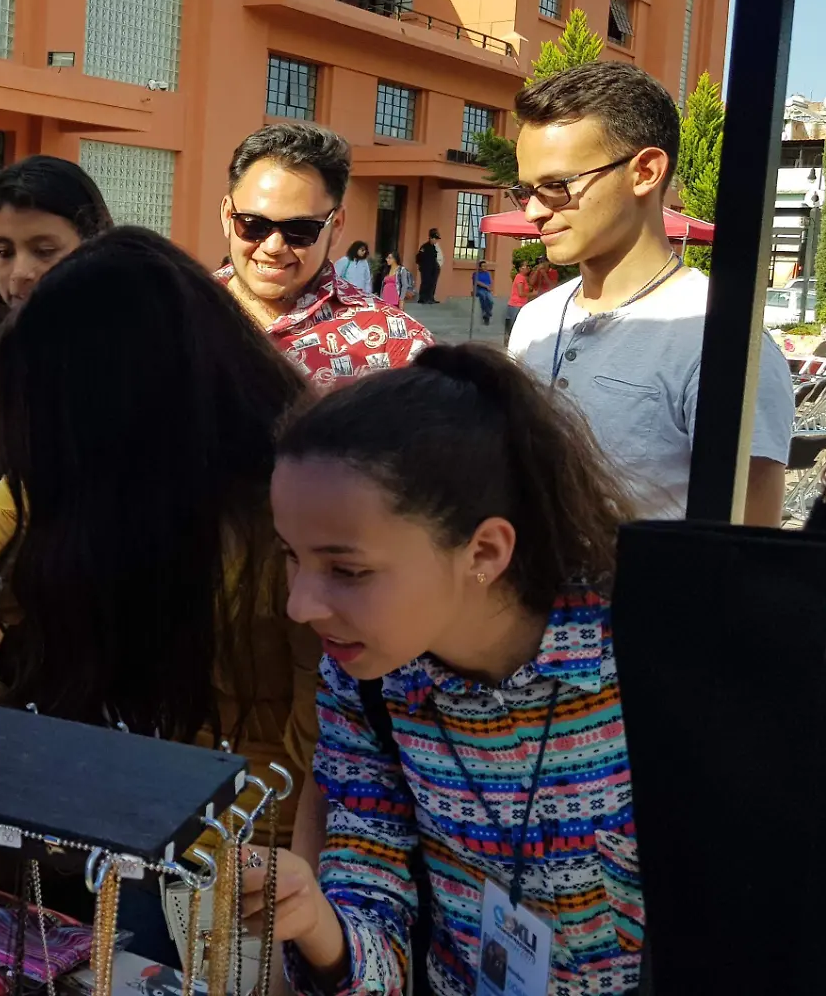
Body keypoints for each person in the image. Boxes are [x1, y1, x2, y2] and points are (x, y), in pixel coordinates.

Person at [0, 228, 321, 962]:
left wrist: (296, 898)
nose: (46, 440)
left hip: (248, 865)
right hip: (98, 831)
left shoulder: (292, 513)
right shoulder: (55, 483)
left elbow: (332, 753)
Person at [256, 344, 641, 996]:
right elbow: (371, 875)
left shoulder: (644, 660)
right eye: (291, 555)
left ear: (484, 550)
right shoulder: (366, 682)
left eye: (346, 570)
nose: (300, 605)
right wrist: (318, 924)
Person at [506, 61, 793, 523]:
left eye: (557, 187)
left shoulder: (719, 341)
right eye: (526, 191)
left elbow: (745, 546)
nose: (535, 212)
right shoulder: (535, 320)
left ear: (645, 171)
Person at [214, 123, 435, 386]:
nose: (273, 246)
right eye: (253, 224)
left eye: (300, 229)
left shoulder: (395, 346)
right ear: (228, 216)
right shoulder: (168, 313)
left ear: (336, 226)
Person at [0, 155, 113, 428]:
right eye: (4, 252)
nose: (20, 272)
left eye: (44, 251)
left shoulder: (135, 377)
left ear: (94, 246)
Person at [415, 227, 443, 304]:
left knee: (433, 283)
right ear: (430, 238)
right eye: (435, 238)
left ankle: (431, 298)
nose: (436, 240)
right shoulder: (424, 247)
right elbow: (418, 258)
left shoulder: (434, 247)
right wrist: (422, 266)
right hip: (426, 269)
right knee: (425, 283)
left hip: (434, 269)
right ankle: (423, 298)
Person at [473, 258, 495, 325]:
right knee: (483, 296)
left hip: (487, 290)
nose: (485, 267)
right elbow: (477, 282)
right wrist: (486, 286)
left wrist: (489, 287)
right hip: (479, 290)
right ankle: (487, 312)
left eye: (486, 266)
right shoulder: (475, 273)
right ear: (479, 267)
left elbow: (490, 282)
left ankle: (487, 314)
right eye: (483, 266)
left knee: (491, 301)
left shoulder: (487, 274)